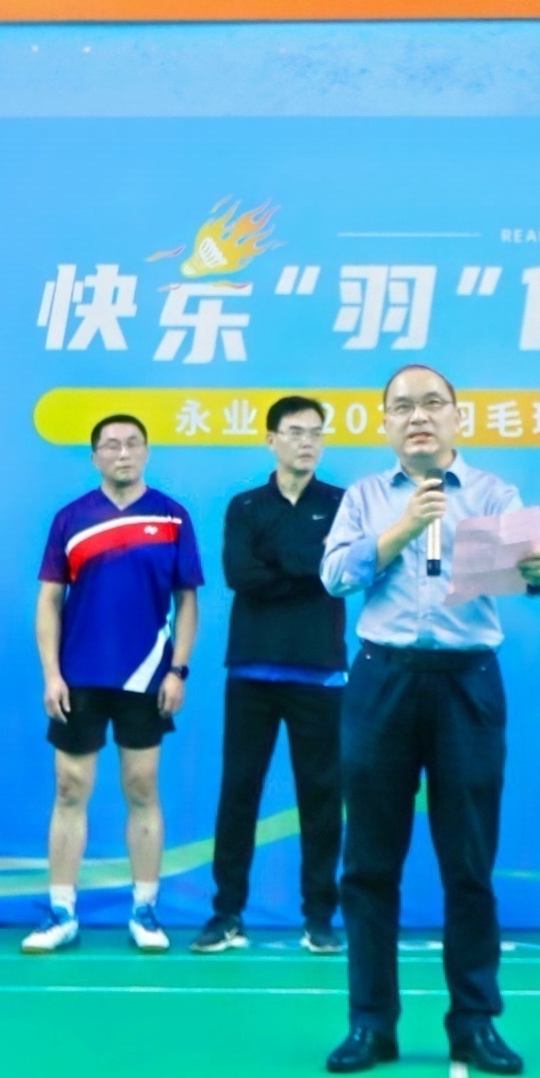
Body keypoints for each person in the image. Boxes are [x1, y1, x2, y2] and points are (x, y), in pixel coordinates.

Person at [318, 364, 540, 1076]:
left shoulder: (492, 494)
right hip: (382, 680)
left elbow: (530, 576)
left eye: (432, 404)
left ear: (457, 416)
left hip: (466, 684)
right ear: (385, 424)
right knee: (368, 863)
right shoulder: (366, 498)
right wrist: (405, 527)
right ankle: (370, 1024)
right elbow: (335, 577)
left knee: (469, 862)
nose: (418, 416)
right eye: (403, 407)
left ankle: (475, 1022)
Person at [25, 413, 201, 955]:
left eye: (132, 444)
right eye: (110, 445)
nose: (122, 453)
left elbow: (187, 601)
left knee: (142, 787)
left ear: (146, 451)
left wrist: (178, 670)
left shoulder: (172, 517)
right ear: (95, 456)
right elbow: (49, 600)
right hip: (79, 675)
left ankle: (144, 910)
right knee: (69, 788)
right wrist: (52, 673)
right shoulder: (71, 519)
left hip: (147, 676)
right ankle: (61, 912)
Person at [196, 395, 348, 956]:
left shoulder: (342, 503)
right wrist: (307, 563)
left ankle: (320, 918)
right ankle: (226, 913)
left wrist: (284, 562)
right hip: (252, 669)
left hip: (320, 671)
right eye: (295, 432)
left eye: (315, 433)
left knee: (322, 798)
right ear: (271, 440)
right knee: (239, 792)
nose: (307, 442)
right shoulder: (245, 506)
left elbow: (338, 574)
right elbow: (240, 573)